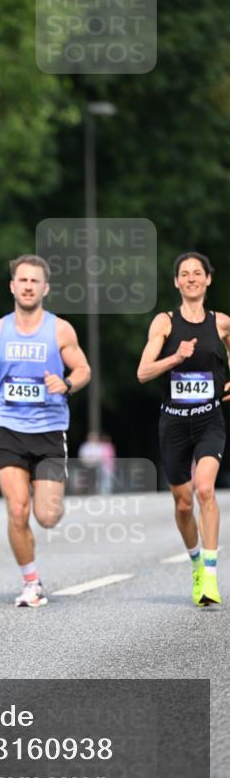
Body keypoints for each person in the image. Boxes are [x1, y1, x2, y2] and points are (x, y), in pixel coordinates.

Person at [0, 254, 91, 607]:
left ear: (45, 288)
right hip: (9, 428)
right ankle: (30, 582)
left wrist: (65, 383)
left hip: (49, 429)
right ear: (12, 286)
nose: (28, 286)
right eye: (23, 280)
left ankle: (51, 498)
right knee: (17, 511)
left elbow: (82, 369)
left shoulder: (60, 329)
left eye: (35, 281)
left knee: (46, 516)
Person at [137, 251, 230, 607]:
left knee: (205, 489)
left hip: (210, 419)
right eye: (184, 274)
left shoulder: (221, 323)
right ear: (176, 282)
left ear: (208, 279)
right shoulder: (164, 322)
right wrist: (176, 357)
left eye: (197, 273)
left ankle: (209, 575)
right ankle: (194, 563)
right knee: (182, 503)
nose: (191, 278)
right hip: (173, 422)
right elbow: (143, 373)